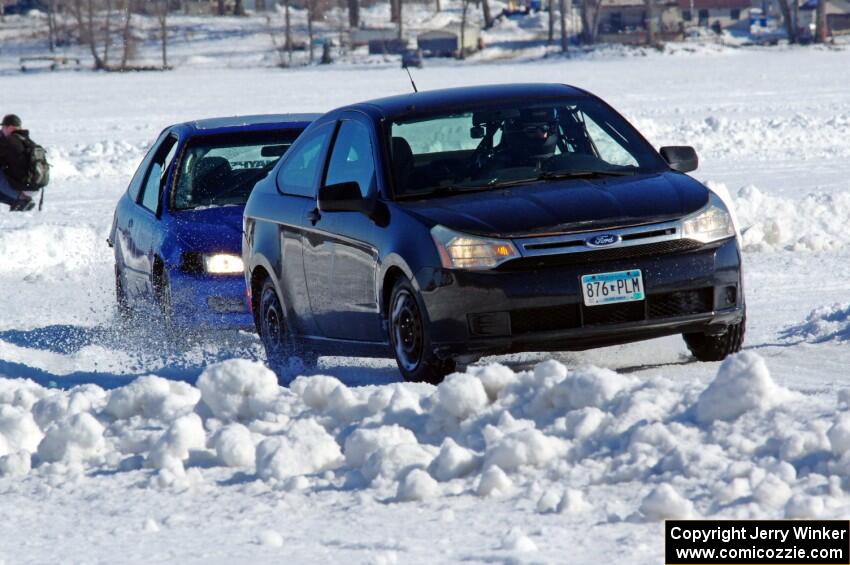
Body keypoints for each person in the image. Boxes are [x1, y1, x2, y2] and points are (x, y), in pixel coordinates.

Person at [0, 114, 36, 212]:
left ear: (10, 127)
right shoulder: (26, 140)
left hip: (21, 188)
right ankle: (18, 201)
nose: (2, 129)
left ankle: (19, 200)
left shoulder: (10, 141)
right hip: (33, 187)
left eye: (3, 127)